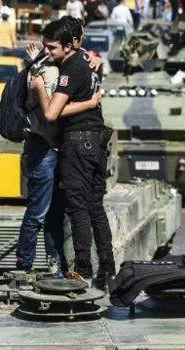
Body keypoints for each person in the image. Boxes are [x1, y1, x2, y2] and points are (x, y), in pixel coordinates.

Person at [29, 19, 115, 289]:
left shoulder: (70, 69)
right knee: (94, 207)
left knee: (78, 209)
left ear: (69, 45)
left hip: (77, 144)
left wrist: (41, 87)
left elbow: (52, 113)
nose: (47, 52)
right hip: (96, 142)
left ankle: (83, 271)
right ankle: (107, 268)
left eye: (52, 47)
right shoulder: (85, 61)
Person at [16, 37, 101, 278]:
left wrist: (95, 60)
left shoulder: (58, 66)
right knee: (38, 212)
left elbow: (84, 60)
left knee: (54, 213)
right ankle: (24, 267)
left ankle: (55, 265)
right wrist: (89, 103)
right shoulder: (47, 72)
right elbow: (53, 112)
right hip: (42, 148)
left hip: (55, 149)